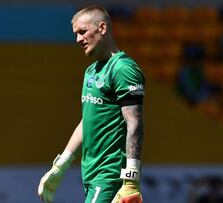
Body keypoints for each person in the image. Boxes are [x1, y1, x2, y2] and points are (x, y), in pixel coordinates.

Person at [38, 5, 145, 203]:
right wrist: (60, 165)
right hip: (91, 175)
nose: (78, 39)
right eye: (75, 34)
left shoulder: (123, 68)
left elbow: (134, 122)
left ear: (102, 28)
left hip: (110, 176)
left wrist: (131, 177)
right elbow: (88, 120)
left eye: (83, 32)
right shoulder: (91, 71)